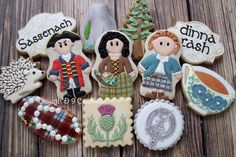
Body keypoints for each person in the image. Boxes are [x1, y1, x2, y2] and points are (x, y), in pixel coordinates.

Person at [47, 31, 91, 99]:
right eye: (60, 45)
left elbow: (83, 63)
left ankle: (77, 92)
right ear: (55, 48)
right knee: (68, 86)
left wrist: (86, 68)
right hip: (65, 79)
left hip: (77, 77)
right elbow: (54, 69)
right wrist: (53, 75)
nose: (63, 46)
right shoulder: (57, 61)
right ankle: (69, 94)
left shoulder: (77, 57)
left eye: (65, 44)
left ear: (71, 44)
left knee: (77, 84)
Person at [139, 31, 182, 99]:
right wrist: (142, 67)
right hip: (152, 74)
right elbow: (146, 62)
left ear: (175, 47)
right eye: (161, 43)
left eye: (168, 44)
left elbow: (175, 67)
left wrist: (177, 73)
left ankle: (161, 96)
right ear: (153, 43)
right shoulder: (152, 56)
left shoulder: (171, 60)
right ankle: (151, 94)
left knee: (162, 87)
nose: (164, 46)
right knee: (152, 86)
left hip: (165, 76)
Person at [95, 31, 136, 98]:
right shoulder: (107, 58)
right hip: (110, 78)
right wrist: (103, 72)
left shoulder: (123, 58)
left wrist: (130, 73)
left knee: (123, 88)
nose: (114, 46)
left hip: (121, 78)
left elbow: (128, 66)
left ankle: (124, 95)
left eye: (117, 43)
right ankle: (108, 96)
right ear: (105, 46)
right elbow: (101, 67)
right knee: (109, 88)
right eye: (111, 44)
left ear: (123, 45)